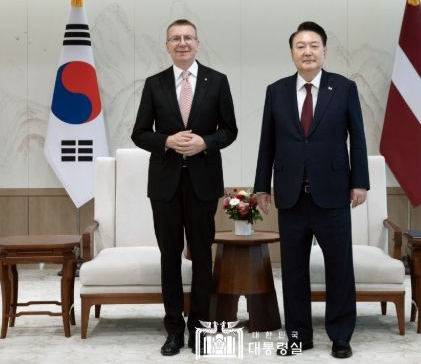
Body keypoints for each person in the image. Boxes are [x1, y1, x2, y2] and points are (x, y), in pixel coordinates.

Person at [253, 21, 369, 359]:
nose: (307, 51)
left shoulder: (344, 88)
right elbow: (267, 142)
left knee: (339, 268)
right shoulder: (276, 91)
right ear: (292, 53)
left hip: (333, 193)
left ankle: (340, 335)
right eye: (300, 46)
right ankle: (298, 336)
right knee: (292, 270)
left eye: (314, 45)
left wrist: (360, 181)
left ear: (324, 51)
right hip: (290, 195)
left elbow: (358, 138)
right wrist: (261, 186)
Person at [131, 19, 238, 356]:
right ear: (167, 46)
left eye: (188, 37)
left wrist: (205, 142)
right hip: (165, 185)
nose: (182, 43)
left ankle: (200, 328)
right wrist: (166, 141)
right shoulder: (154, 84)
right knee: (170, 257)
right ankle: (174, 330)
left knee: (203, 257)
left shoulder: (217, 81)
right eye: (175, 38)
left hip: (203, 184)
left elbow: (230, 130)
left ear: (197, 43)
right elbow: (139, 133)